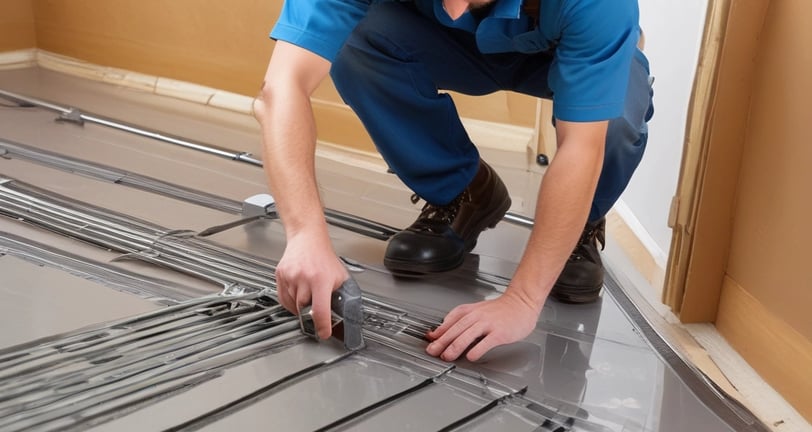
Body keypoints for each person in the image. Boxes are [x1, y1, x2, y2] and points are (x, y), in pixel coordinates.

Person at [254, 0, 653, 362]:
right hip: (446, 43)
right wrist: (305, 233)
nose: (455, 5)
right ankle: (463, 190)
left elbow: (581, 147)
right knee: (354, 40)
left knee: (613, 119)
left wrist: (522, 300)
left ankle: (578, 226)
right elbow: (283, 85)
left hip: (561, 50)